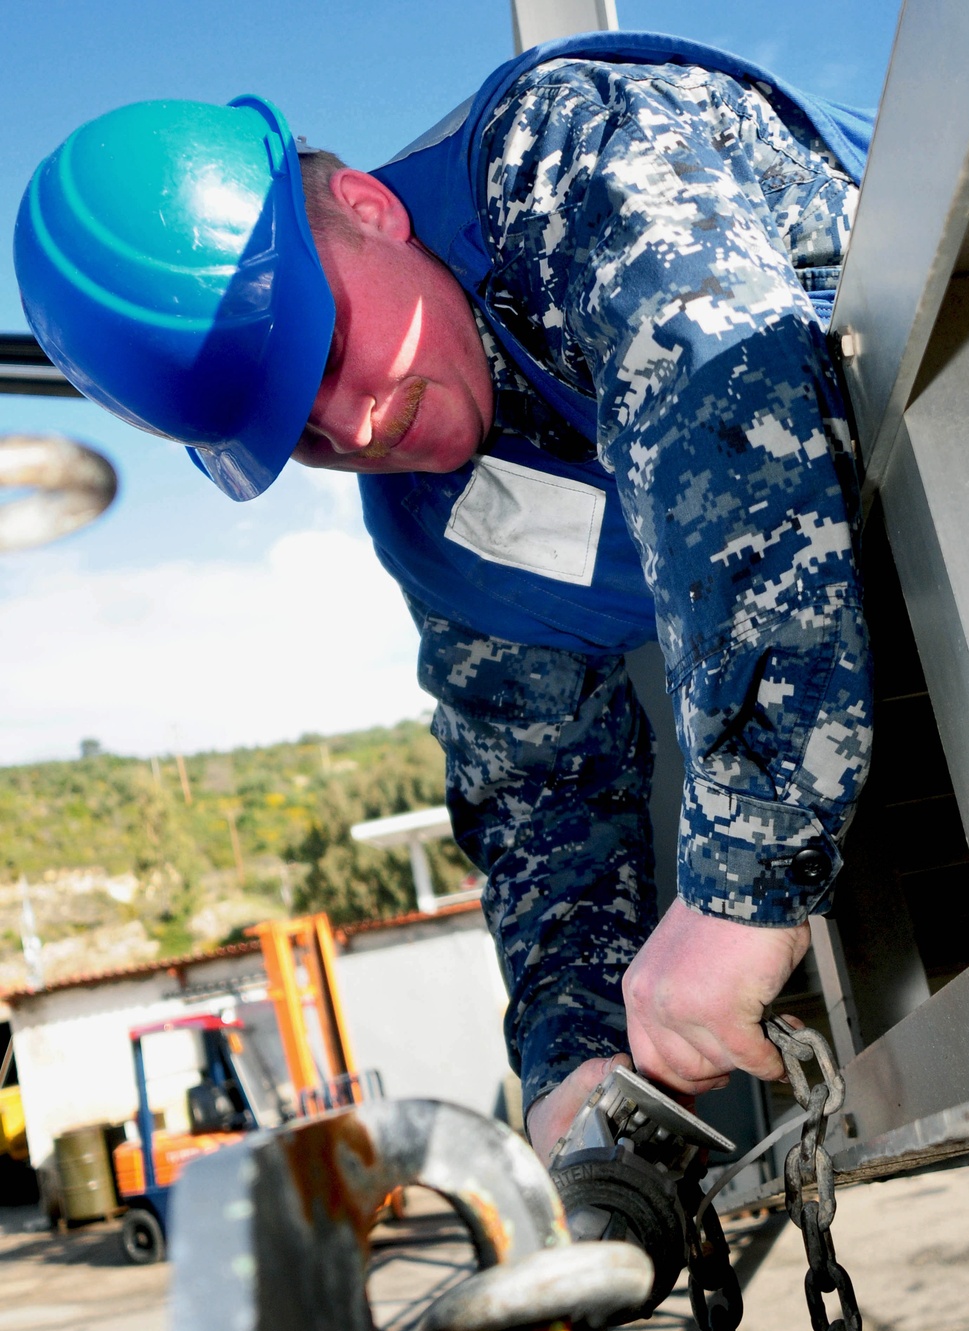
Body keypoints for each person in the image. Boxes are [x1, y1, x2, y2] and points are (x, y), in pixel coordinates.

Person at [15, 33, 875, 1166]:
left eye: (326, 353)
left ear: (368, 209)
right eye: (298, 433)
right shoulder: (438, 537)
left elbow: (727, 398)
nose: (356, 430)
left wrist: (741, 880)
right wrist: (574, 1063)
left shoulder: (560, 156)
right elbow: (540, 795)